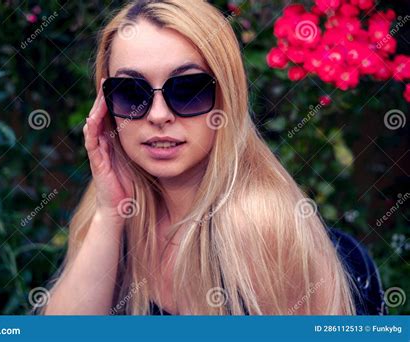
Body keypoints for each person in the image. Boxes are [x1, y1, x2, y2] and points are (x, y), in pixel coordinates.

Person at [41, 0, 362, 315]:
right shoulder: (106, 218)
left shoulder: (272, 234)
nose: (158, 115)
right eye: (131, 92)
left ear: (227, 96)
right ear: (106, 105)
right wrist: (109, 215)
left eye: (188, 89)